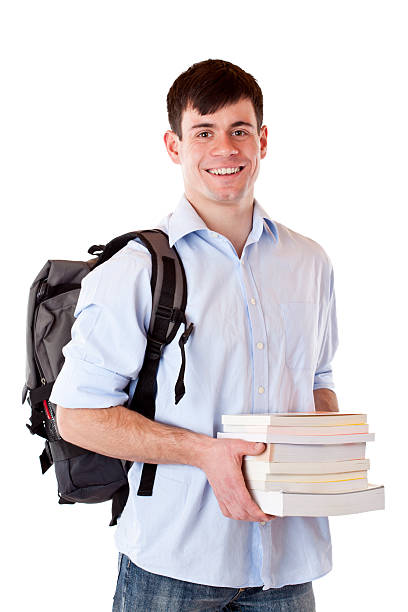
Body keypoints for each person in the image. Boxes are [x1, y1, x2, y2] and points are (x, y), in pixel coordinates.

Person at [51, 59, 339, 612]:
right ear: (174, 145)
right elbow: (77, 415)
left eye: (240, 130)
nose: (224, 149)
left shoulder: (310, 262)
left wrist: (323, 441)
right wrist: (205, 454)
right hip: (173, 565)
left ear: (263, 140)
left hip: (290, 560)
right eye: (203, 132)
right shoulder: (136, 269)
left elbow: (318, 380)